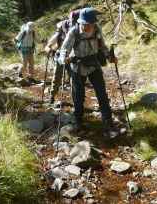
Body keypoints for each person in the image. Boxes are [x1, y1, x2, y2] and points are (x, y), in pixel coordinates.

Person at [58, 7, 118, 138]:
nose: (87, 27)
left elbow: (102, 45)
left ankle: (108, 121)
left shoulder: (96, 29)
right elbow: (64, 49)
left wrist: (110, 56)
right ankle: (78, 121)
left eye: (90, 24)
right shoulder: (74, 32)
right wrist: (63, 59)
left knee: (102, 93)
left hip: (93, 65)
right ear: (81, 22)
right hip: (77, 68)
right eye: (85, 24)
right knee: (78, 96)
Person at [45, 19, 71, 104]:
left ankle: (76, 98)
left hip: (71, 58)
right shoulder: (59, 35)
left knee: (73, 78)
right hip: (60, 58)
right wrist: (49, 49)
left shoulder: (74, 33)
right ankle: (52, 96)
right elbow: (48, 45)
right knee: (57, 77)